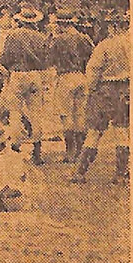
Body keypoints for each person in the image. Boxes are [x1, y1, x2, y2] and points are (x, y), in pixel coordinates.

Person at [73, 20, 130, 184]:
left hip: (105, 90)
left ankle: (80, 172)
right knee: (121, 131)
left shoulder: (105, 45)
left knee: (94, 132)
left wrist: (90, 90)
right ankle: (120, 174)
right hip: (126, 89)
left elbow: (94, 70)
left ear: (113, 27)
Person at [0, 6, 49, 165]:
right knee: (36, 113)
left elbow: (5, 58)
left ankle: (15, 145)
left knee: (15, 112)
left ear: (20, 20)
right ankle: (37, 150)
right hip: (35, 75)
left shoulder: (13, 36)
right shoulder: (41, 37)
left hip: (18, 74)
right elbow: (46, 58)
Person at [48, 10, 95, 165]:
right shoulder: (84, 38)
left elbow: (50, 59)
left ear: (62, 24)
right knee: (80, 115)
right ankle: (82, 151)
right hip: (81, 76)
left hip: (65, 77)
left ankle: (70, 152)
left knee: (66, 116)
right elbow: (92, 56)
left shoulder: (58, 40)